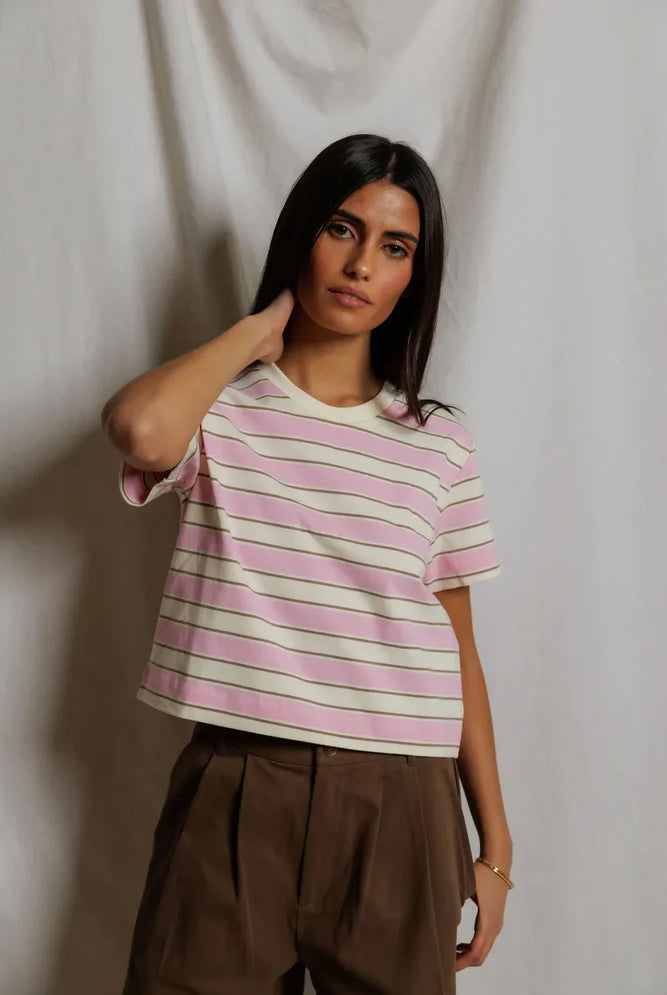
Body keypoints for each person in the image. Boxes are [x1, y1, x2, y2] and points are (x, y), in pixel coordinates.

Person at [102, 133, 513, 995]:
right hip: (236, 784)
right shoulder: (216, 410)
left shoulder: (437, 443)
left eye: (395, 247)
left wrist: (495, 848)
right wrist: (256, 331)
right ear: (302, 236)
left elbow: (458, 649)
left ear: (413, 277)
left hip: (402, 799)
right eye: (341, 229)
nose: (361, 264)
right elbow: (138, 428)